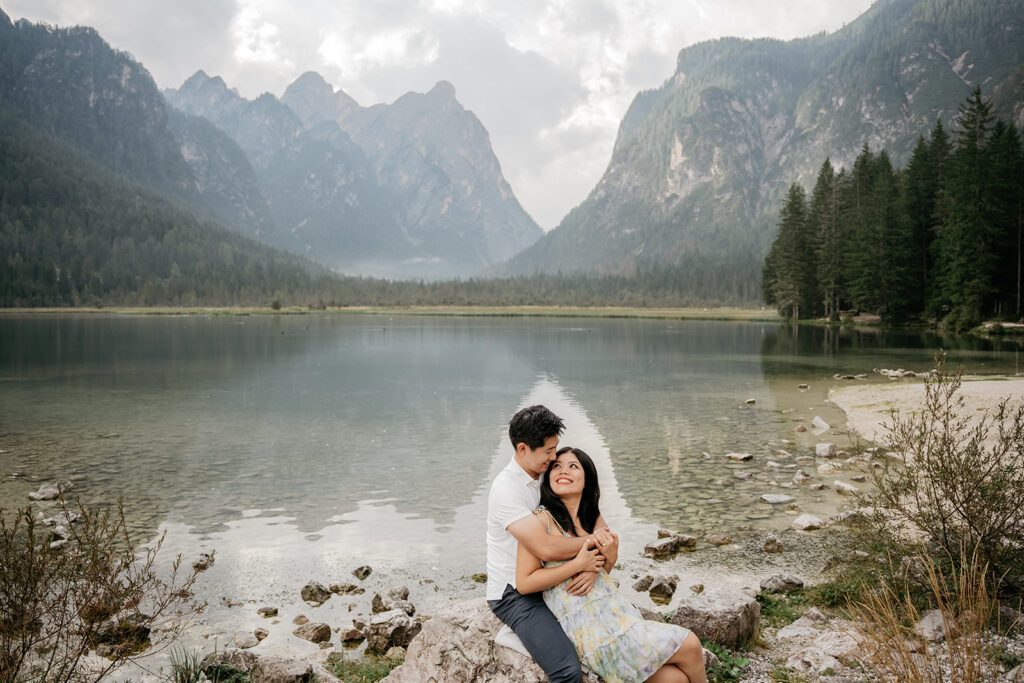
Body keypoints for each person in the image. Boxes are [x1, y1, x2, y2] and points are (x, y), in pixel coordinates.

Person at [516, 446, 707, 683]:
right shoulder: (540, 519)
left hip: (618, 617)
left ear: (587, 479)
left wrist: (607, 561)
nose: (563, 471)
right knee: (690, 644)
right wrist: (579, 565)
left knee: (675, 679)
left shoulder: (592, 518)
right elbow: (524, 583)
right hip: (593, 632)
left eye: (573, 466)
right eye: (557, 466)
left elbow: (599, 573)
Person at [487, 405, 607, 683]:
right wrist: (592, 546)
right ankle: (518, 631)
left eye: (555, 448)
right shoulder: (506, 490)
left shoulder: (548, 474)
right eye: (549, 451)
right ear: (522, 449)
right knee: (567, 671)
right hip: (515, 593)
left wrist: (592, 566)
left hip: (554, 578)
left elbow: (593, 514)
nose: (555, 457)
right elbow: (545, 548)